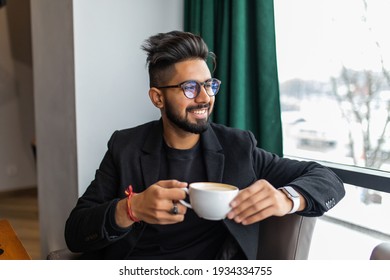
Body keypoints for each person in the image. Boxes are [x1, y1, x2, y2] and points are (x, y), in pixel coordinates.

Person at [65, 30, 345, 260]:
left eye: (209, 84)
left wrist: (287, 198)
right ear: (157, 98)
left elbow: (328, 179)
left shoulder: (238, 147)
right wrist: (131, 208)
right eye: (189, 87)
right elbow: (76, 232)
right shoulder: (125, 147)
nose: (204, 97)